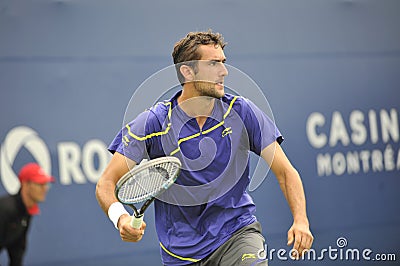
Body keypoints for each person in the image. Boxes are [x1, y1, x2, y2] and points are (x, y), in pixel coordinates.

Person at [96, 30, 313, 265]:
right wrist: (121, 218)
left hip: (237, 235)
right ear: (187, 72)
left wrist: (301, 219)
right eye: (213, 64)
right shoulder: (153, 123)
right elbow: (106, 183)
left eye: (223, 62)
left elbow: (285, 172)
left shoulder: (241, 112)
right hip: (180, 253)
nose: (224, 71)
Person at [0, 163, 54, 266]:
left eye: (46, 184)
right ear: (25, 184)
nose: (45, 189)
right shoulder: (5, 210)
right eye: (40, 184)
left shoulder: (27, 212)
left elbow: (17, 252)